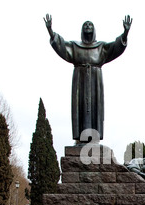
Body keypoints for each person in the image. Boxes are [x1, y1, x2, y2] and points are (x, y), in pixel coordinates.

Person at [44, 14, 132, 142]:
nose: (88, 26)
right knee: (80, 107)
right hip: (80, 79)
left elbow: (115, 47)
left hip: (95, 80)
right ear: (82, 30)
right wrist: (51, 31)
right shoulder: (75, 46)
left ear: (94, 30)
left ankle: (94, 138)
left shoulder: (101, 47)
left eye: (90, 25)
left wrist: (125, 33)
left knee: (95, 106)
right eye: (85, 25)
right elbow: (62, 46)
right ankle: (81, 139)